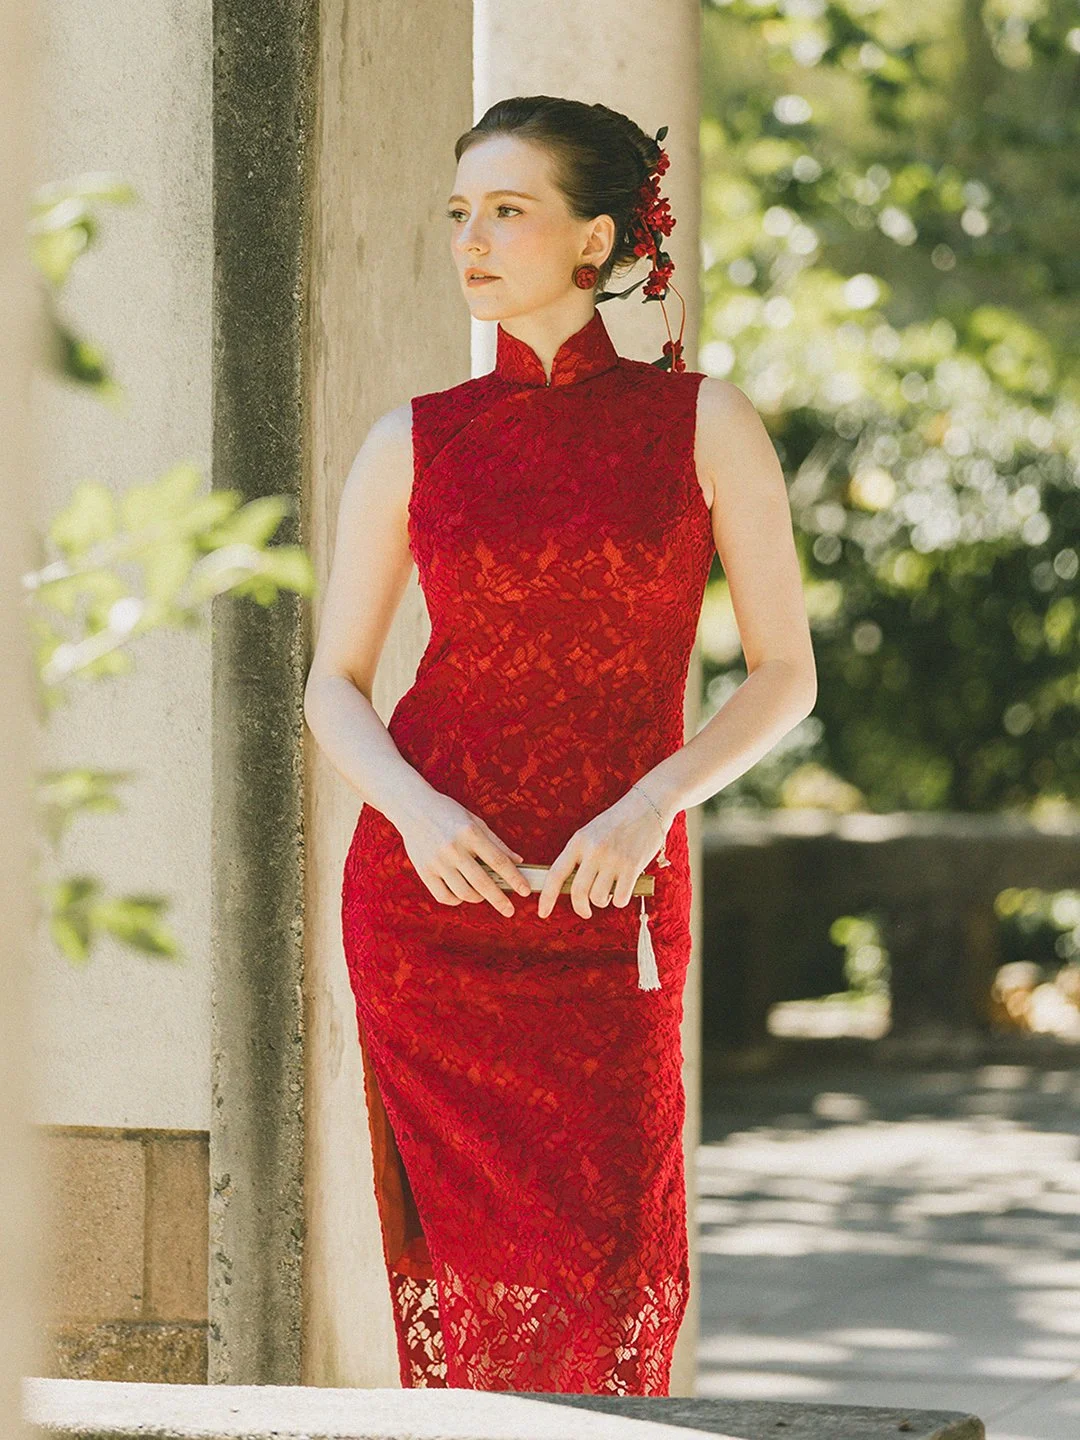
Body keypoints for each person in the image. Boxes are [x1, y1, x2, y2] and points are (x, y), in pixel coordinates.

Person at [304, 95, 817, 1395]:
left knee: (615, 1270)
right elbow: (334, 686)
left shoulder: (703, 426)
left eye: (508, 212)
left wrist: (658, 799)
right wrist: (414, 815)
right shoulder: (411, 441)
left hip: (614, 902)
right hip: (431, 906)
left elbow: (783, 677)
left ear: (595, 242)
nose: (472, 240)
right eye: (460, 215)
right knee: (464, 1287)